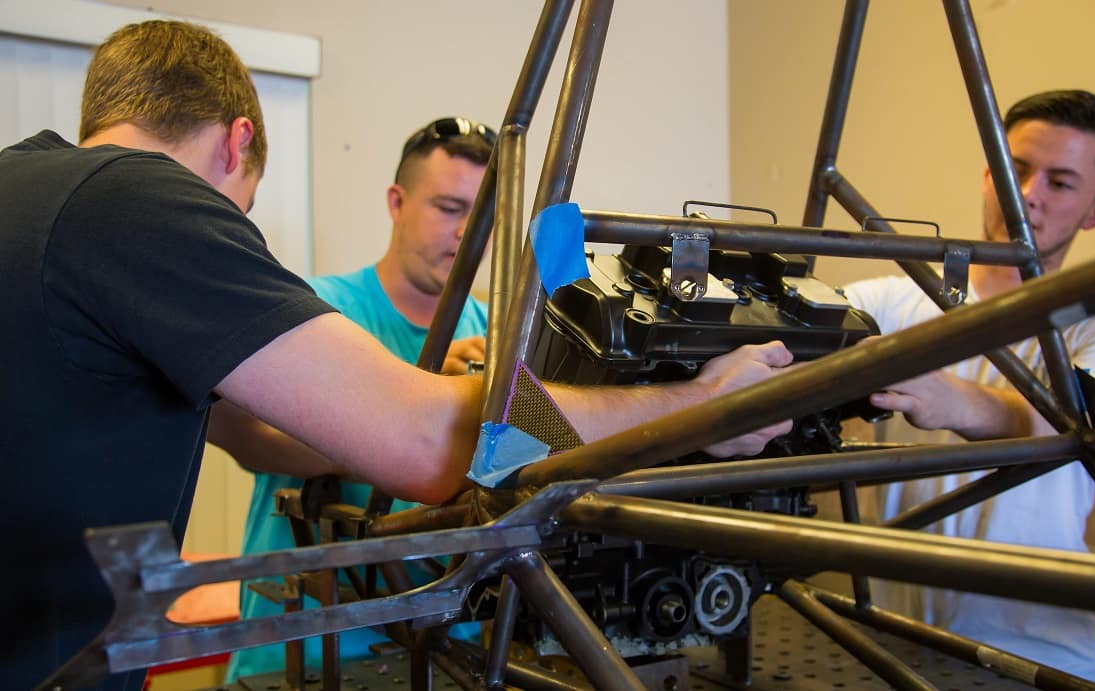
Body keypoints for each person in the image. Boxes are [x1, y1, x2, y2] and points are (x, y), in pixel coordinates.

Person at [0, 20, 794, 690]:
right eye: (237, 209)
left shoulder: (28, 196)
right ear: (238, 139)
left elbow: (270, 424)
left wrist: (454, 389)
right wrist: (700, 405)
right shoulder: (141, 201)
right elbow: (427, 443)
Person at [842, 89, 1095, 683]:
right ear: (989, 174)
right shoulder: (891, 299)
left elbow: (1072, 429)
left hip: (1039, 658)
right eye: (1016, 170)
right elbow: (798, 335)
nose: (1028, 194)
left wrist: (947, 399)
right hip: (883, 642)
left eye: (1060, 182)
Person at [221, 118, 495, 681]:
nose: (467, 232)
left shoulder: (497, 333)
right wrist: (423, 394)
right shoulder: (313, 310)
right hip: (311, 654)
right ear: (397, 202)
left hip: (451, 648)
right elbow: (251, 440)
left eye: (483, 216)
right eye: (448, 208)